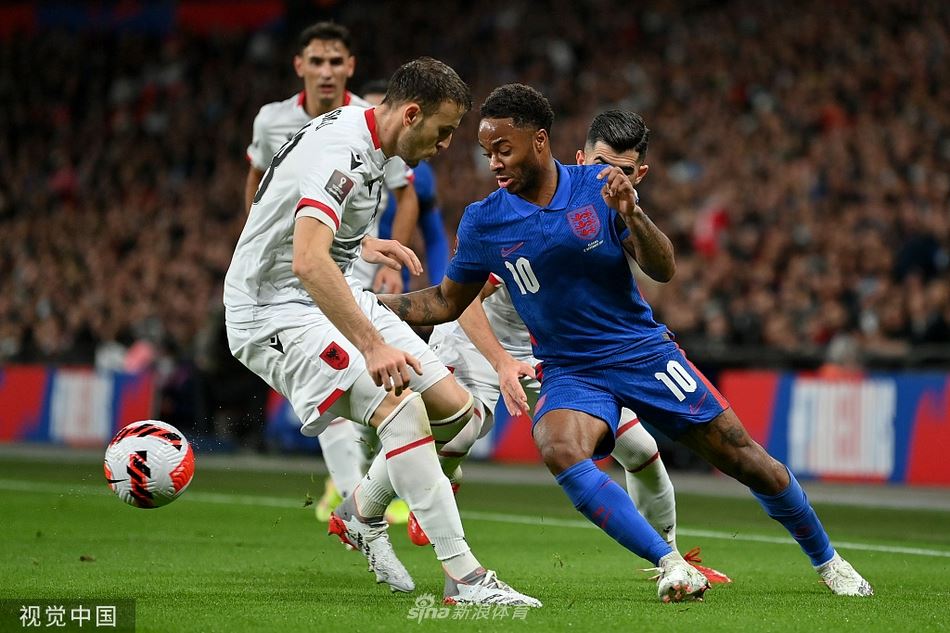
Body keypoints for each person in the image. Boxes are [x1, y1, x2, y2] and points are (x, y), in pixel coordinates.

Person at [379, 83, 873, 602]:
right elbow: (445, 302)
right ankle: (670, 563)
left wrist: (634, 213)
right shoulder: (485, 220)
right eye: (487, 153)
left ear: (539, 141)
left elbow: (663, 268)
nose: (494, 163)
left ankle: (829, 561)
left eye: (504, 149)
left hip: (642, 353)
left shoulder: (598, 186)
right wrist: (368, 305)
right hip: (570, 369)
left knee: (744, 458)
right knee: (559, 447)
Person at [224, 59, 539, 607]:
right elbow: (307, 260)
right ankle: (465, 577)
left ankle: (360, 512)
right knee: (402, 409)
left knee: (460, 417)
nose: (445, 145)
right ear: (411, 114)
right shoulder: (343, 151)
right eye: (442, 131)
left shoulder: (361, 136)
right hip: (273, 310)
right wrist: (371, 346)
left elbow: (291, 202)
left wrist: (362, 243)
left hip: (330, 290)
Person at [409, 109, 730, 584]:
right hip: (485, 344)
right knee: (460, 431)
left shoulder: (605, 211)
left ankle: (672, 560)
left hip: (559, 356)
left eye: (621, 170)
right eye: (600, 165)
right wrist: (501, 361)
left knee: (642, 450)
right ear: (579, 161)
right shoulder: (515, 218)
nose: (609, 177)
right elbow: (463, 300)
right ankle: (378, 504)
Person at [243, 22, 416, 523]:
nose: (326, 71)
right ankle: (356, 496)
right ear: (299, 65)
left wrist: (393, 264)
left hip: (356, 266)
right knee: (338, 377)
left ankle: (357, 489)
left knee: (374, 379)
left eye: (335, 61)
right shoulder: (272, 121)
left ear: (350, 67)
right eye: (316, 61)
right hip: (294, 271)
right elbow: (257, 178)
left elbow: (406, 193)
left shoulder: (371, 120)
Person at [363, 80, 451, 291]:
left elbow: (435, 238)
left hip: (393, 287)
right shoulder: (346, 164)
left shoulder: (419, 173)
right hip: (344, 280)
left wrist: (442, 290)